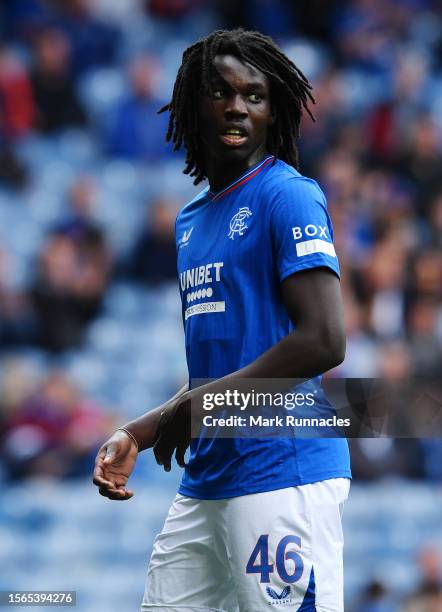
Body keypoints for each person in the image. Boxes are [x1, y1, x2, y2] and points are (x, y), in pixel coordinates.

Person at [93, 28, 351, 611]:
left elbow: (324, 340)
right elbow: (220, 367)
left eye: (254, 96)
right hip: (209, 478)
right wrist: (144, 429)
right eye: (220, 92)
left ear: (272, 110)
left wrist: (204, 408)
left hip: (281, 471)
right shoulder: (190, 221)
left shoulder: (288, 196)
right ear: (193, 104)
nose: (237, 106)